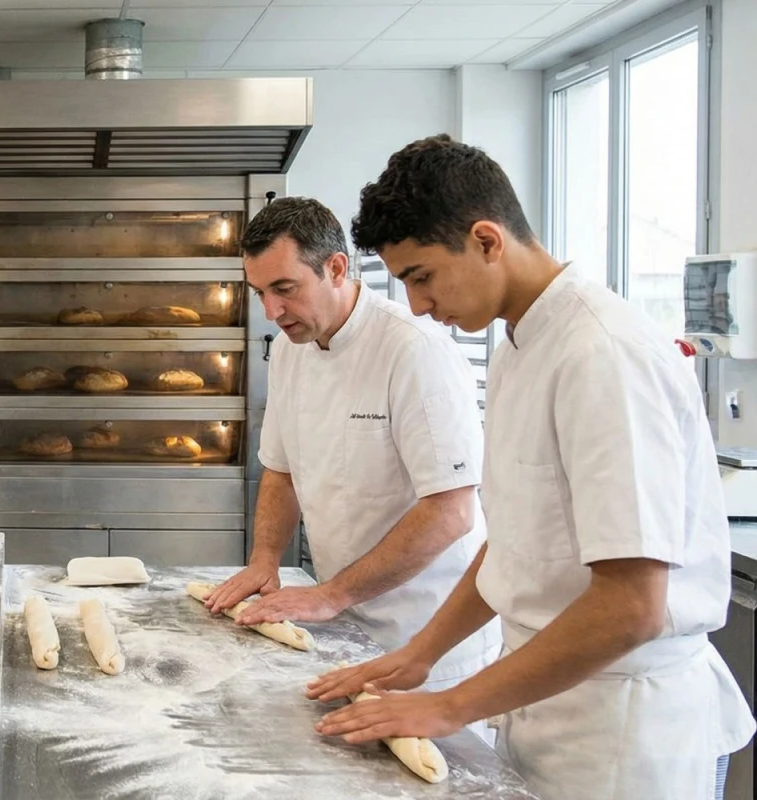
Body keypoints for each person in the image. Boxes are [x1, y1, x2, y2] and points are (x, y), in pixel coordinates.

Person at [309, 134, 755, 800]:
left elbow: (631, 605)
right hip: (544, 698)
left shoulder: (603, 354)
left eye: (421, 277)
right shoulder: (520, 344)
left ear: (487, 240)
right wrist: (420, 655)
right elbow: (519, 542)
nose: (417, 305)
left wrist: (450, 705)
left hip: (622, 731)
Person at [206, 197, 499, 706]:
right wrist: (263, 560)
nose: (272, 312)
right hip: (342, 624)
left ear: (336, 269)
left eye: (285, 289)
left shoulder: (413, 349)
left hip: (424, 638)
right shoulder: (291, 351)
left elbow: (451, 512)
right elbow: (281, 469)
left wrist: (330, 594)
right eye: (260, 293)